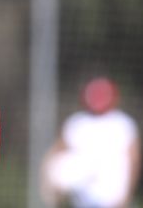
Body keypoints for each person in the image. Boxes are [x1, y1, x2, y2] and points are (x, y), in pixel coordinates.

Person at [41, 76, 140, 208]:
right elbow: (56, 155)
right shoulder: (77, 123)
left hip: (112, 198)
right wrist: (49, 183)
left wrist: (127, 194)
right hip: (83, 198)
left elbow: (133, 161)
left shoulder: (123, 124)